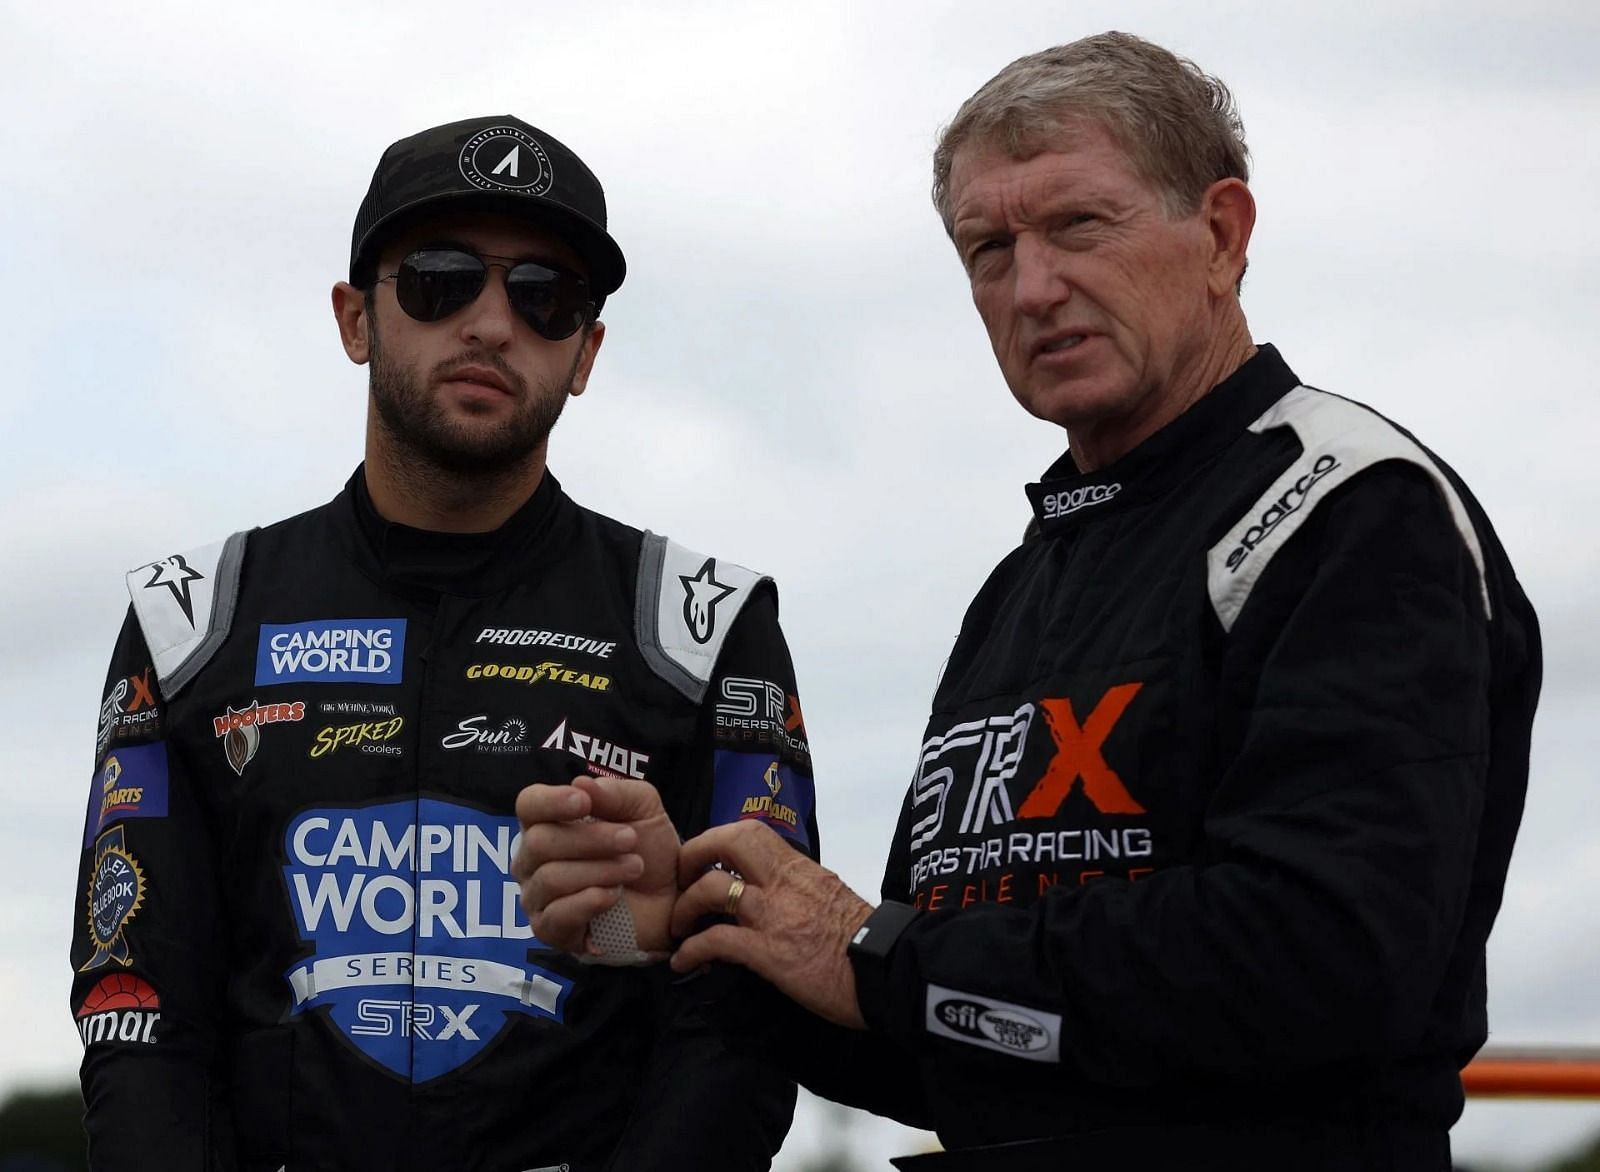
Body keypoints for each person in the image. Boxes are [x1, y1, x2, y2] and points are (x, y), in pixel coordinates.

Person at [514, 33, 1542, 1170]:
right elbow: (937, 1034)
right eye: (987, 248)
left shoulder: (1348, 506)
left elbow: (1325, 961)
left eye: (1078, 226)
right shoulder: (1023, 580)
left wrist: (874, 951)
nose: (1032, 286)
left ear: (1221, 233)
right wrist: (687, 923)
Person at [68, 114, 818, 1172]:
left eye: (543, 295)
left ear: (586, 350)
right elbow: (136, 998)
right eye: (439, 277)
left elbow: (744, 1008)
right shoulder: (190, 620)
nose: (491, 323)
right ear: (354, 317)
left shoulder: (703, 625)